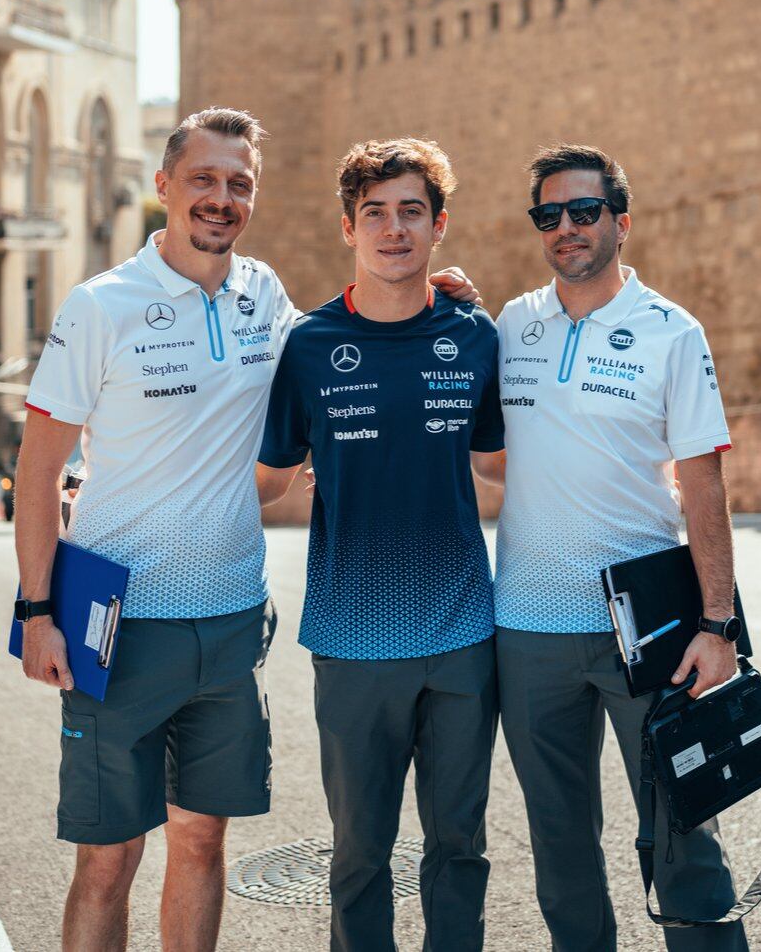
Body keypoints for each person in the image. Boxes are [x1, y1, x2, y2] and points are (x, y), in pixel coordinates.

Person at [14, 108, 478, 952]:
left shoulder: (265, 298)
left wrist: (433, 290)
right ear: (163, 185)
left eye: (239, 184)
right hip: (114, 623)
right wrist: (38, 612)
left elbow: (355, 327)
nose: (220, 199)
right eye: (203, 180)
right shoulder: (99, 307)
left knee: (202, 841)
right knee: (107, 859)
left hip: (232, 623)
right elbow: (38, 471)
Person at [475, 142, 749, 952]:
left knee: (683, 834)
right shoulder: (510, 326)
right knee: (560, 848)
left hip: (651, 627)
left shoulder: (672, 331)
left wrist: (718, 624)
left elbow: (703, 487)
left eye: (584, 211)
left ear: (620, 223)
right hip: (526, 629)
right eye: (549, 215)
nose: (567, 227)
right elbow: (489, 459)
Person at [256, 138, 505, 952]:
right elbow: (265, 478)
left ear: (439, 227)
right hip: (352, 643)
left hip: (465, 638)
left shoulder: (475, 335)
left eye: (411, 212)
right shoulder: (309, 346)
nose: (393, 230)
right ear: (347, 228)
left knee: (459, 849)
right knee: (360, 857)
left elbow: (504, 464)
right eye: (375, 214)